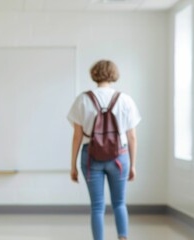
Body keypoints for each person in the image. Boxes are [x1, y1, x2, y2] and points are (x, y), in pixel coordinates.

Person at [68, 60, 141, 240]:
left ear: (94, 74)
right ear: (113, 74)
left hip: (90, 158)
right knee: (119, 203)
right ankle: (123, 238)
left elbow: (77, 136)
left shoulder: (83, 99)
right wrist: (132, 165)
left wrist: (73, 166)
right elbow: (132, 136)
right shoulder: (125, 99)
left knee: (97, 206)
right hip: (120, 157)